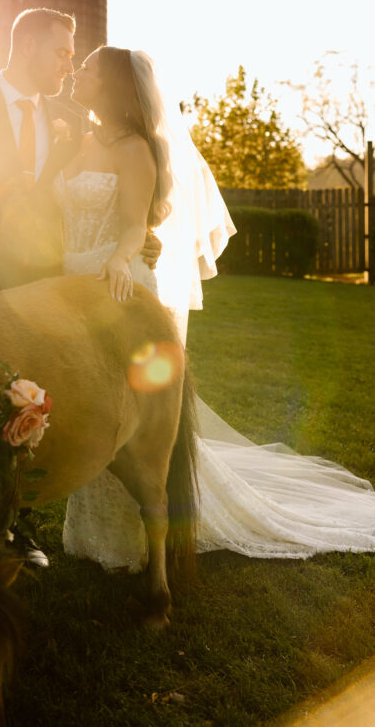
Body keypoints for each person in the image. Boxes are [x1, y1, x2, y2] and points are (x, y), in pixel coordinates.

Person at [60, 45, 375, 568]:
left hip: (116, 286)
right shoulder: (79, 141)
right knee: (95, 402)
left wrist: (119, 259)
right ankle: (91, 531)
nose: (77, 72)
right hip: (72, 282)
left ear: (111, 85)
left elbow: (137, 224)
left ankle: (134, 540)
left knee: (129, 408)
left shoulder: (134, 148)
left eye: (88, 67)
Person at [0, 8, 160, 294]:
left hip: (50, 293)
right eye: (62, 54)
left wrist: (142, 238)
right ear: (28, 47)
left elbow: (105, 190)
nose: (69, 68)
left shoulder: (74, 124)